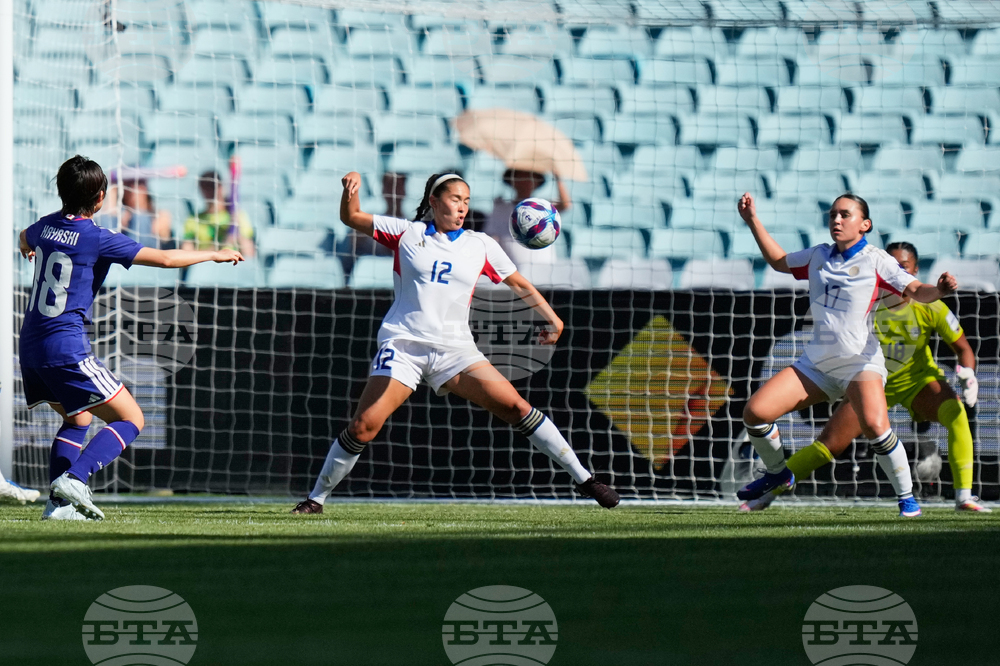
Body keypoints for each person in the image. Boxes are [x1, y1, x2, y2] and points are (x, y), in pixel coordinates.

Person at [292, 171, 619, 513]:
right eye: (454, 199)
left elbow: (519, 284)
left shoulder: (481, 244)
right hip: (405, 345)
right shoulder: (408, 232)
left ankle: (585, 479)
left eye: (465, 200)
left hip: (456, 351)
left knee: (517, 407)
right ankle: (316, 498)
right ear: (434, 201)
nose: (462, 207)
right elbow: (351, 217)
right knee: (364, 426)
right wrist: (351, 190)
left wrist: (552, 318)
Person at [18, 155, 243, 521]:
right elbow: (167, 260)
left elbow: (23, 236)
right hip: (65, 346)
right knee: (132, 418)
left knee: (78, 420)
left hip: (30, 345)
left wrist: (25, 249)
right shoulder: (97, 237)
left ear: (61, 192)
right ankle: (75, 479)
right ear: (100, 197)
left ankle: (58, 506)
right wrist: (213, 254)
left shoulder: (44, 227)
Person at [736, 192, 958, 517]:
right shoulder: (818, 255)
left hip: (860, 364)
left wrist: (938, 290)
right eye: (832, 215)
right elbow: (778, 261)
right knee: (755, 413)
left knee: (875, 427)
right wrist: (752, 220)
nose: (836, 220)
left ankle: (907, 499)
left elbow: (915, 291)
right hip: (817, 363)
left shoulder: (876, 259)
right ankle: (778, 474)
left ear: (864, 224)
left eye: (844, 214)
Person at [482, 169, 571, 268]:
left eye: (531, 177)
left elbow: (565, 205)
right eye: (520, 177)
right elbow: (491, 239)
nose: (526, 182)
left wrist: (557, 177)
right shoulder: (500, 208)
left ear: (537, 182)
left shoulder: (544, 206)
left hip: (545, 269)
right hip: (514, 272)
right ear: (512, 180)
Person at [338, 171, 403, 275]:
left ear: (404, 190)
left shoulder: (414, 225)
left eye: (398, 187)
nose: (393, 192)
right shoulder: (369, 224)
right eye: (389, 187)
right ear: (383, 190)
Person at [182, 170, 255, 258]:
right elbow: (186, 256)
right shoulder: (194, 219)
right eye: (206, 187)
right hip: (205, 266)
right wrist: (221, 244)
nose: (209, 191)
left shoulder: (238, 215)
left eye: (213, 186)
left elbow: (249, 254)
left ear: (221, 187)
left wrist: (236, 233)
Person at [98, 178, 175, 249]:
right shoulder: (119, 215)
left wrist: (166, 234)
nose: (133, 190)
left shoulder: (160, 215)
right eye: (128, 185)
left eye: (138, 183)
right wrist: (112, 195)